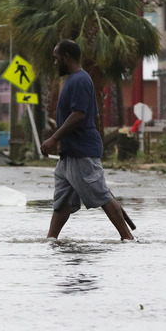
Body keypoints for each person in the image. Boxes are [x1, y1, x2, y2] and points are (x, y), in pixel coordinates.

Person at [40, 39, 135, 242]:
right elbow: (96, 115)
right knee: (62, 201)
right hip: (70, 153)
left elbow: (79, 114)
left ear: (66, 57)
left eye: (57, 59)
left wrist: (54, 138)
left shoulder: (80, 80)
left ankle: (128, 239)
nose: (55, 63)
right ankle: (50, 240)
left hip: (81, 152)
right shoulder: (75, 80)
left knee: (101, 195)